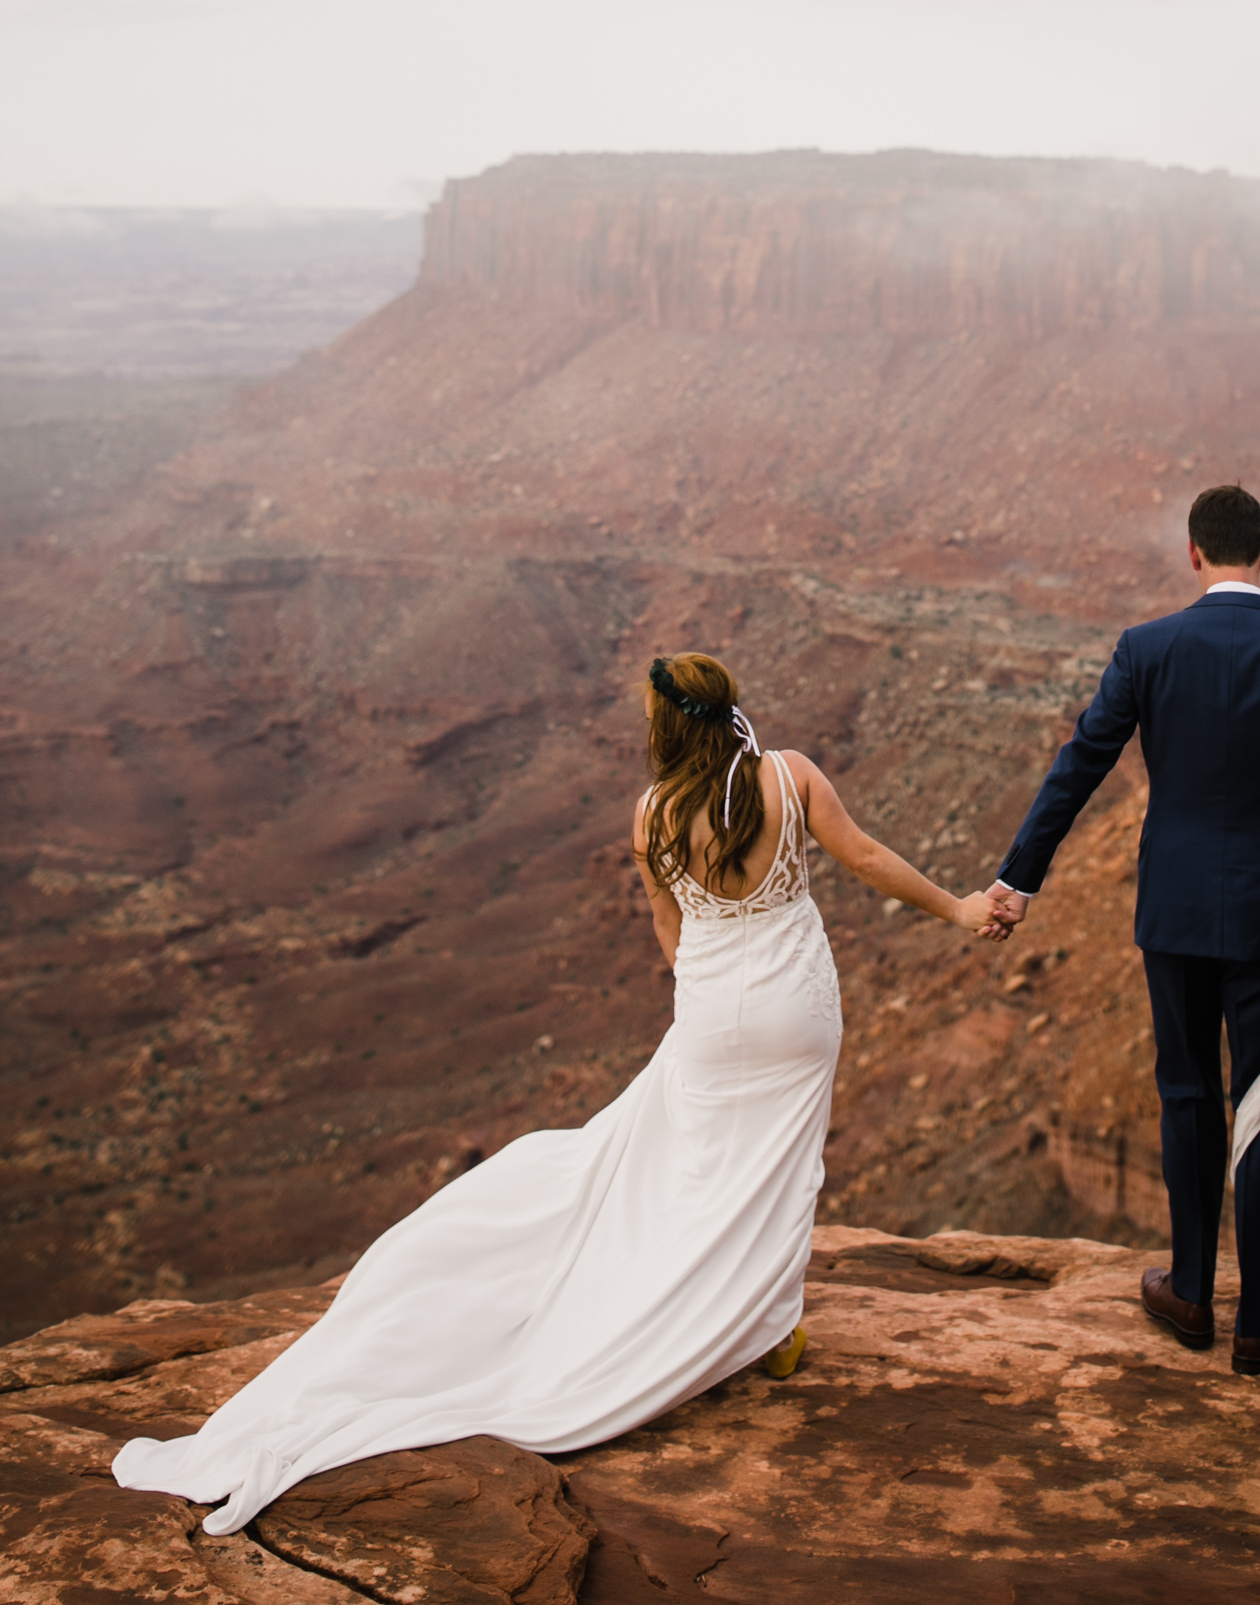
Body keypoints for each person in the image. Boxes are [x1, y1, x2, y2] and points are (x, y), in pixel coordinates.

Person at [113, 650, 998, 1532]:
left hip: (709, 1013)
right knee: (778, 1166)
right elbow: (869, 859)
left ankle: (734, 1317)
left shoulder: (652, 812)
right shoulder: (788, 776)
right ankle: (766, 1329)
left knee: (697, 1163)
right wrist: (959, 910)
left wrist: (699, 1009)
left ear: (663, 728)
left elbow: (669, 923)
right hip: (797, 1008)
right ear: (731, 708)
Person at [984, 485, 1260, 1375]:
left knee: (1186, 1091)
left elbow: (1079, 763)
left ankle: (1193, 1292)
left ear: (1193, 554)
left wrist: (1019, 879)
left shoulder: (1146, 649)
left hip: (1171, 910)